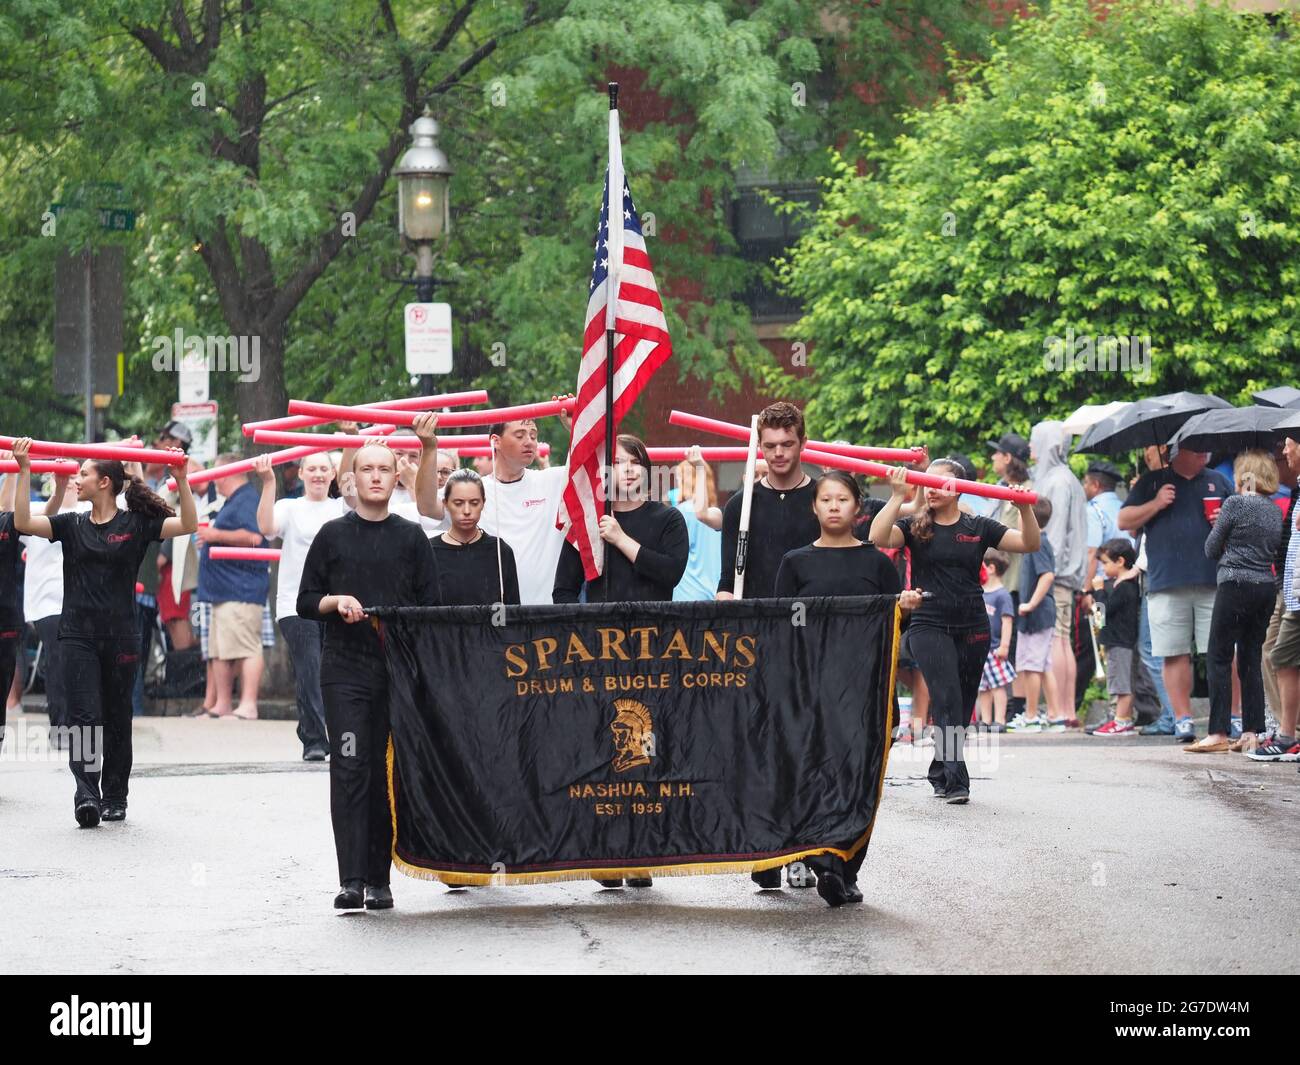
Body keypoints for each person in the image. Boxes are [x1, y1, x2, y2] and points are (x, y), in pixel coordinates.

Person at [10, 439, 196, 827]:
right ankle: (86, 793)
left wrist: (182, 480)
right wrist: (25, 469)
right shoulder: (71, 523)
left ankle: (115, 795)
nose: (76, 479)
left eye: (83, 473)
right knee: (84, 715)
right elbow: (24, 523)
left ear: (106, 482)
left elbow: (188, 525)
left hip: (122, 636)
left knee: (116, 715)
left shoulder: (136, 524)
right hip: (77, 635)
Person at [297, 440, 441, 911]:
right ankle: (351, 879)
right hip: (345, 669)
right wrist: (336, 602)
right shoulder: (332, 535)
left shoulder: (412, 536)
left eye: (384, 469)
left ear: (396, 476)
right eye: (367, 470)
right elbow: (305, 601)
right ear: (352, 480)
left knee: (384, 772)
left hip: (398, 670)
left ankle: (380, 879)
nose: (376, 476)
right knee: (350, 766)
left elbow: (433, 606)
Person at [772, 469, 921, 907]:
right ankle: (822, 858)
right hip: (813, 689)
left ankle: (844, 867)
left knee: (861, 777)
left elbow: (896, 622)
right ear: (814, 507)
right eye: (825, 500)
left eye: (842, 499)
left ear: (858, 508)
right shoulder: (795, 562)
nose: (834, 506)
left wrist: (906, 606)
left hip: (868, 689)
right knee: (815, 774)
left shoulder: (876, 562)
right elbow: (784, 625)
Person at [870, 460, 1040, 803]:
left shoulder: (978, 526)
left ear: (959, 488)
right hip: (928, 623)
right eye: (927, 482)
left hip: (973, 625)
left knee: (960, 706)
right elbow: (877, 538)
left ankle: (939, 768)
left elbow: (1029, 544)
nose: (931, 489)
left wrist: (1024, 510)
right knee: (946, 698)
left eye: (940, 483)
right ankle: (958, 779)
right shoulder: (915, 526)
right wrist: (897, 497)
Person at [713, 402, 821, 888]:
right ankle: (766, 847)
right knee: (760, 747)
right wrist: (725, 606)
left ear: (802, 443)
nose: (778, 454)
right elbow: (725, 580)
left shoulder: (822, 498)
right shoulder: (742, 504)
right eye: (770, 445)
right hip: (756, 643)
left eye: (787, 445)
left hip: (811, 642)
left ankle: (804, 848)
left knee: (805, 748)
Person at [1119, 446, 1232, 743]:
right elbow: (1125, 521)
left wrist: (1224, 521)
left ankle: (1232, 716)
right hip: (1166, 580)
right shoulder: (1153, 481)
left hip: (1213, 578)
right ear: (1179, 452)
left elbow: (1239, 526)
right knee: (1173, 652)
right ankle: (1182, 719)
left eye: (1207, 450)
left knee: (1222, 653)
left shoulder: (1219, 481)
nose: (1205, 455)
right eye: (1198, 451)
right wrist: (1156, 503)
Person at [1183, 451, 1284, 754]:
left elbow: (1212, 549)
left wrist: (1218, 525)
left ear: (1245, 476)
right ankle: (1252, 731)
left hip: (1235, 584)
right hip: (1265, 587)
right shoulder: (1275, 510)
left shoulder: (1234, 503)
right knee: (1250, 656)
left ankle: (1217, 731)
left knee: (1219, 655)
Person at [255, 452, 350, 761]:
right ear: (302, 474)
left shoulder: (343, 508)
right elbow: (266, 528)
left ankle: (315, 735)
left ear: (333, 473)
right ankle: (318, 739)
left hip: (337, 603)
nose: (319, 474)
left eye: (324, 468)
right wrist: (268, 481)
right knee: (310, 670)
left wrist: (348, 442)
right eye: (312, 468)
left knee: (331, 671)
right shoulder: (290, 507)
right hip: (297, 605)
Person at [443, 412, 570, 605]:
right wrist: (428, 447)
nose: (529, 442)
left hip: (546, 616)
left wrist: (574, 428)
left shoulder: (552, 480)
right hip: (493, 617)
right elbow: (427, 507)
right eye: (520, 436)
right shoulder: (474, 490)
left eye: (534, 436)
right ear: (496, 441)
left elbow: (590, 466)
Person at [553, 435, 688, 606]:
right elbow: (563, 591)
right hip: (600, 630)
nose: (628, 469)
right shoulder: (589, 520)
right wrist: (586, 628)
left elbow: (671, 574)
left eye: (635, 462)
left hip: (655, 629)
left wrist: (620, 539)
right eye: (618, 462)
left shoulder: (669, 518)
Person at [194, 457, 271, 720]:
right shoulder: (234, 501)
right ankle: (222, 703)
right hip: (223, 589)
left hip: (241, 588)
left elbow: (254, 538)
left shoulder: (248, 499)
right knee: (220, 649)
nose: (214, 481)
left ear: (226, 475)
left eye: (216, 474)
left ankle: (248, 703)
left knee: (247, 647)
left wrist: (216, 536)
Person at [1029, 421, 1089, 728]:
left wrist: (1044, 568)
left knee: (1057, 640)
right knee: (1061, 639)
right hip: (1064, 572)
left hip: (1056, 573)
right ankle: (1066, 710)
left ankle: (1063, 710)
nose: (1030, 449)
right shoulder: (1066, 479)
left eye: (1034, 442)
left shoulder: (1058, 482)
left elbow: (1052, 533)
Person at [16, 471, 80, 743]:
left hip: (83, 600)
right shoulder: (36, 508)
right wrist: (19, 471)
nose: (72, 483)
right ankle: (61, 727)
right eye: (65, 478)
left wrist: (131, 463)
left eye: (78, 476)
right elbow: (20, 516)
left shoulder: (90, 510)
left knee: (81, 663)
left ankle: (83, 726)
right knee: (59, 660)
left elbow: (128, 502)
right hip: (47, 602)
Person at [432, 468, 520, 606]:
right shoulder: (430, 551)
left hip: (491, 627)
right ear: (445, 504)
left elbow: (510, 610)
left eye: (474, 503)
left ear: (483, 503)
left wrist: (500, 626)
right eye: (458, 503)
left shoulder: (499, 550)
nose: (467, 511)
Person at [1261, 435, 1300, 744]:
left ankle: (1289, 734)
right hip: (1287, 587)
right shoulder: (1295, 487)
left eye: (1288, 445)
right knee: (1273, 652)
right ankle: (1285, 730)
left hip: (1294, 589)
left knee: (1283, 653)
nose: (1284, 452)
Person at [1009, 499, 1057, 733]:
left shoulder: (1038, 544)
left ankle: (1031, 715)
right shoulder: (1037, 543)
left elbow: (1047, 576)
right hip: (1040, 612)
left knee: (1031, 665)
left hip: (1037, 613)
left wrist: (1029, 604)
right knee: (1043, 665)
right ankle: (1054, 715)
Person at [1089, 539, 1144, 736]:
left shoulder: (1124, 586)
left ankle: (1121, 721)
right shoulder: (1122, 585)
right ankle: (1123, 720)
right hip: (1118, 641)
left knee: (1121, 685)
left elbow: (1101, 615)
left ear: (1120, 561)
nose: (1103, 568)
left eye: (1105, 563)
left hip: (1121, 642)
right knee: (1119, 683)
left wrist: (1099, 591)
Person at [976, 550, 1016, 733]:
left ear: (991, 568)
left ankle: (999, 720)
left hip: (995, 648)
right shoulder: (981, 592)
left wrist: (1004, 645)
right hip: (980, 647)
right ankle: (985, 720)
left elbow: (1007, 621)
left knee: (997, 686)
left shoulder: (1002, 595)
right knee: (982, 687)